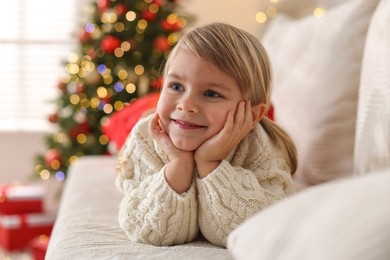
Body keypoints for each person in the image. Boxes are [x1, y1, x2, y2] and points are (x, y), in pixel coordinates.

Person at [115, 22, 297, 248]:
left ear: (251, 115)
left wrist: (210, 164)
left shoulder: (260, 147)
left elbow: (258, 229)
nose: (186, 105)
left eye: (211, 93)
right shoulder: (147, 138)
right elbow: (149, 230)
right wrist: (179, 165)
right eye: (176, 86)